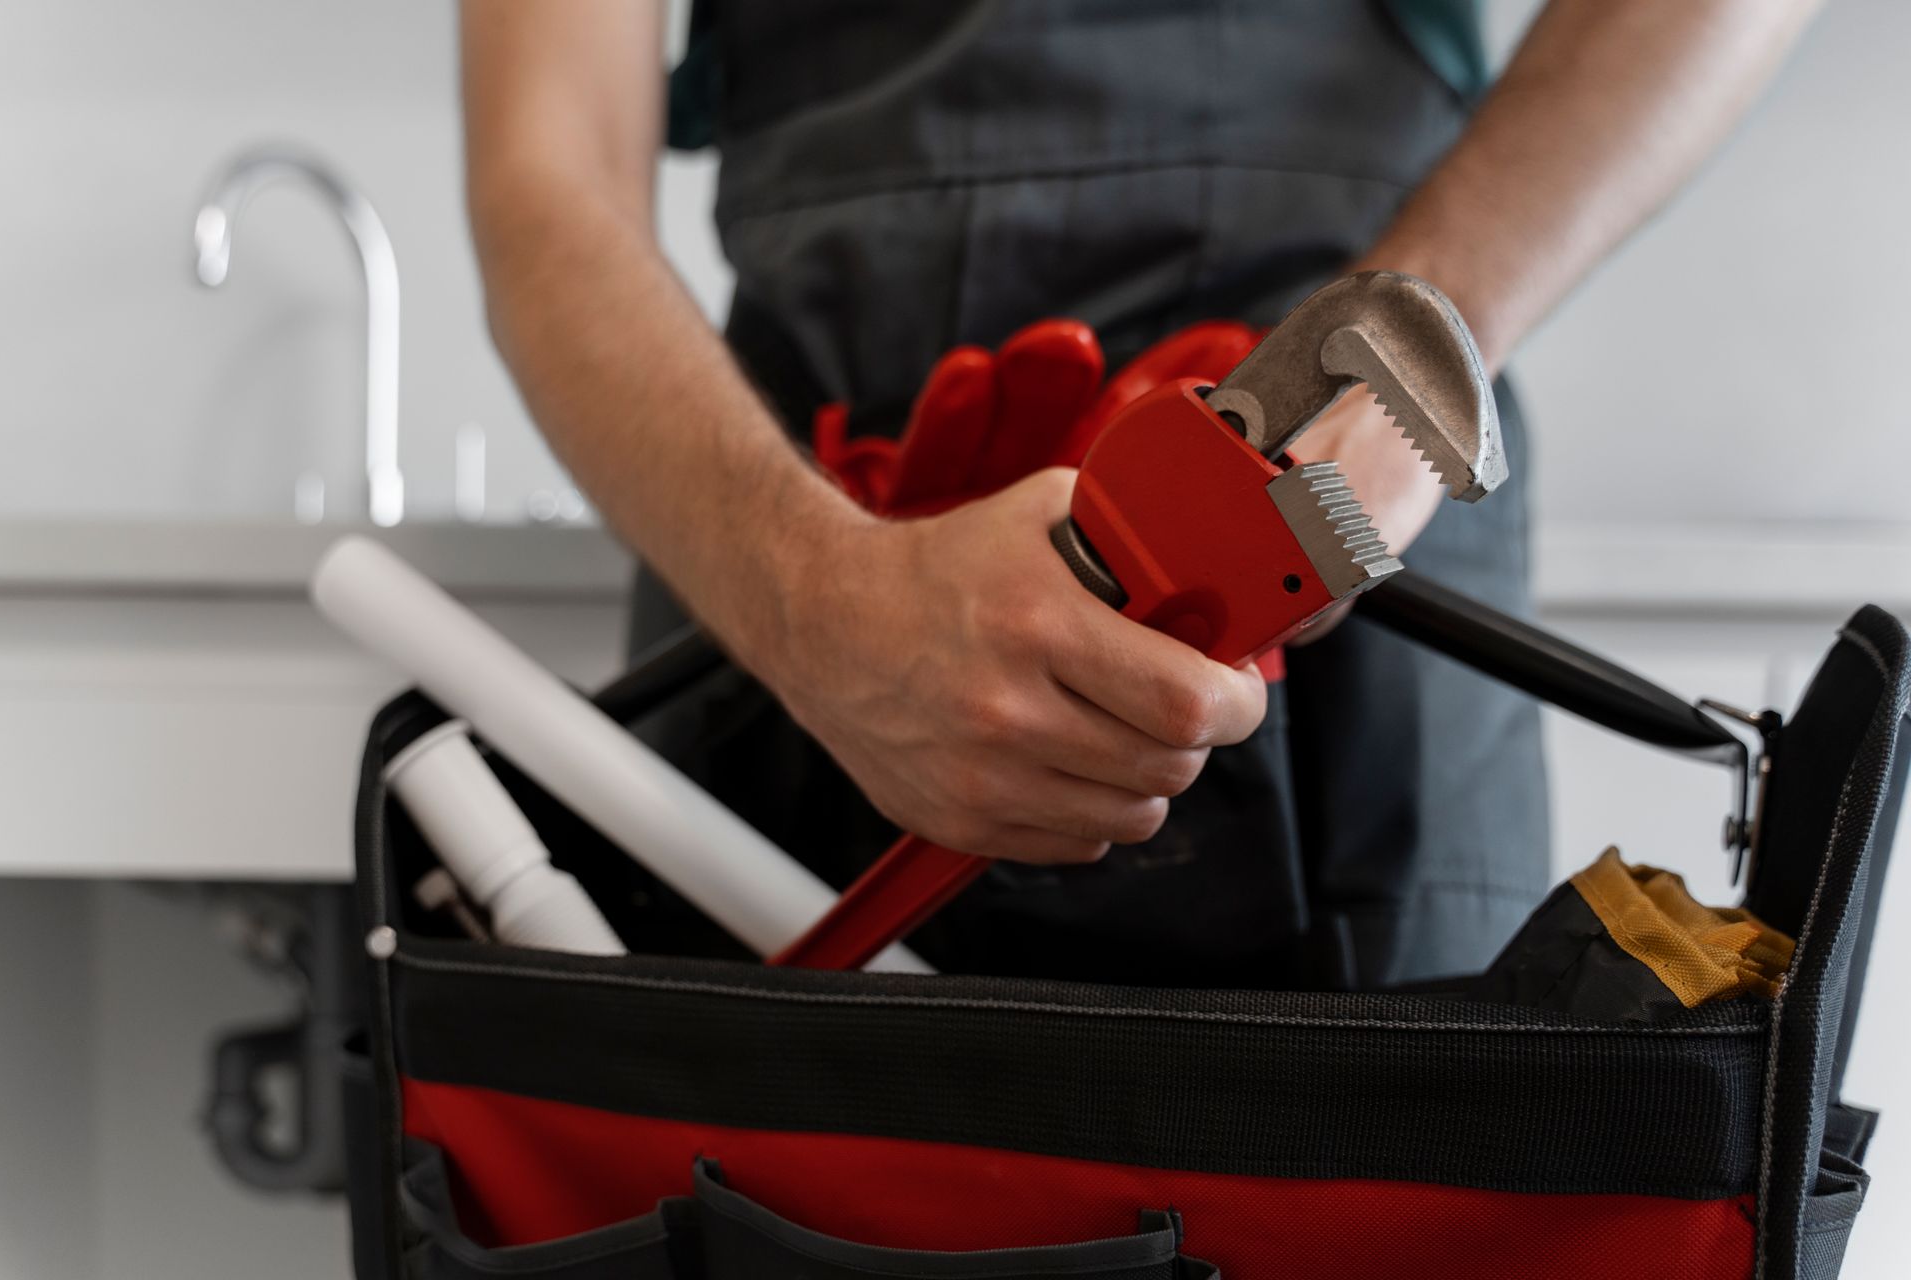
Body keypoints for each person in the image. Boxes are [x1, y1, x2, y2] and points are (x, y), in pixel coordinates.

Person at [456, 0, 1820, 986]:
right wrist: (811, 600)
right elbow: (545, 171)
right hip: (792, 506)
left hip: (1365, 501)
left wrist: (1415, 346)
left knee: (1378, 1201)